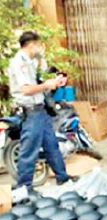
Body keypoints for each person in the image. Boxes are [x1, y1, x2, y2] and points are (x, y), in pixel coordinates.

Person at [8, 31, 72, 188]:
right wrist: (46, 85)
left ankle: (63, 178)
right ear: (31, 45)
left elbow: (38, 84)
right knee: (29, 151)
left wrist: (53, 82)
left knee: (52, 146)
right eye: (38, 45)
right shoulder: (19, 63)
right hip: (30, 112)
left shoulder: (31, 62)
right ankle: (24, 188)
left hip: (40, 110)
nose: (40, 48)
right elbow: (26, 89)